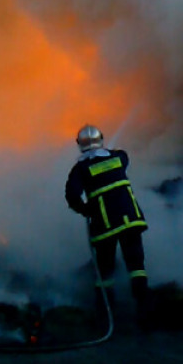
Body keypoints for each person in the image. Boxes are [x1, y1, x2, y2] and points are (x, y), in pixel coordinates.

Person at [65, 124, 152, 329]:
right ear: (101, 139)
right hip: (131, 220)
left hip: (105, 226)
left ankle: (106, 316)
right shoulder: (119, 157)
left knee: (105, 272)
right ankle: (144, 313)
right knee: (136, 266)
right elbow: (122, 159)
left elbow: (71, 195)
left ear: (80, 145)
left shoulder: (80, 169)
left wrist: (86, 210)